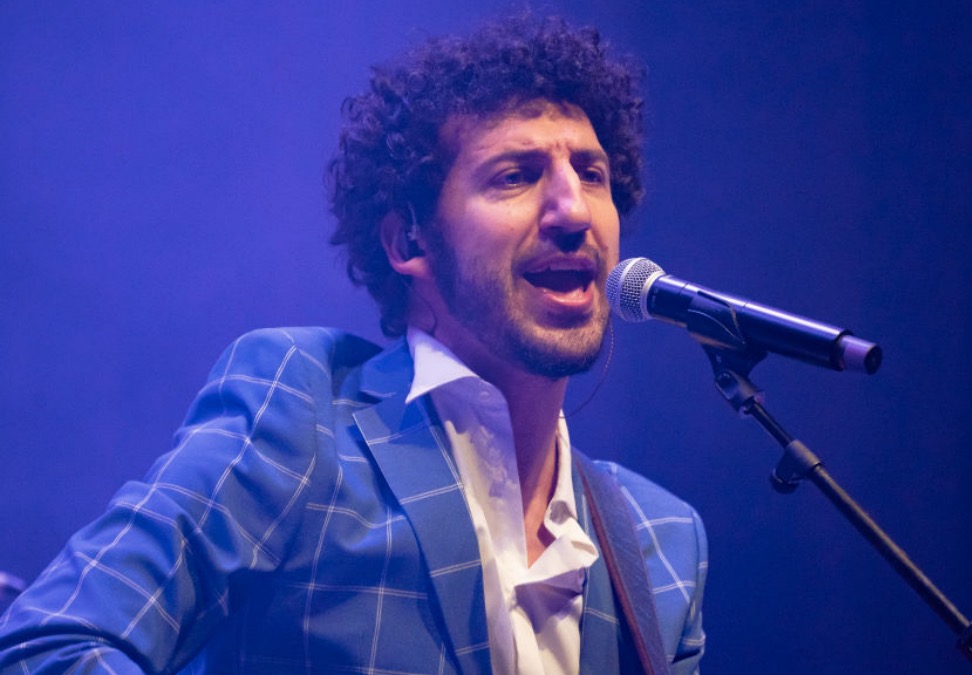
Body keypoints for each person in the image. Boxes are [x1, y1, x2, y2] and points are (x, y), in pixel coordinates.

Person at [0, 15, 706, 675]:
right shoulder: (302, 414)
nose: (573, 210)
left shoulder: (660, 542)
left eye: (591, 174)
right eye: (515, 176)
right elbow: (50, 644)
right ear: (409, 240)